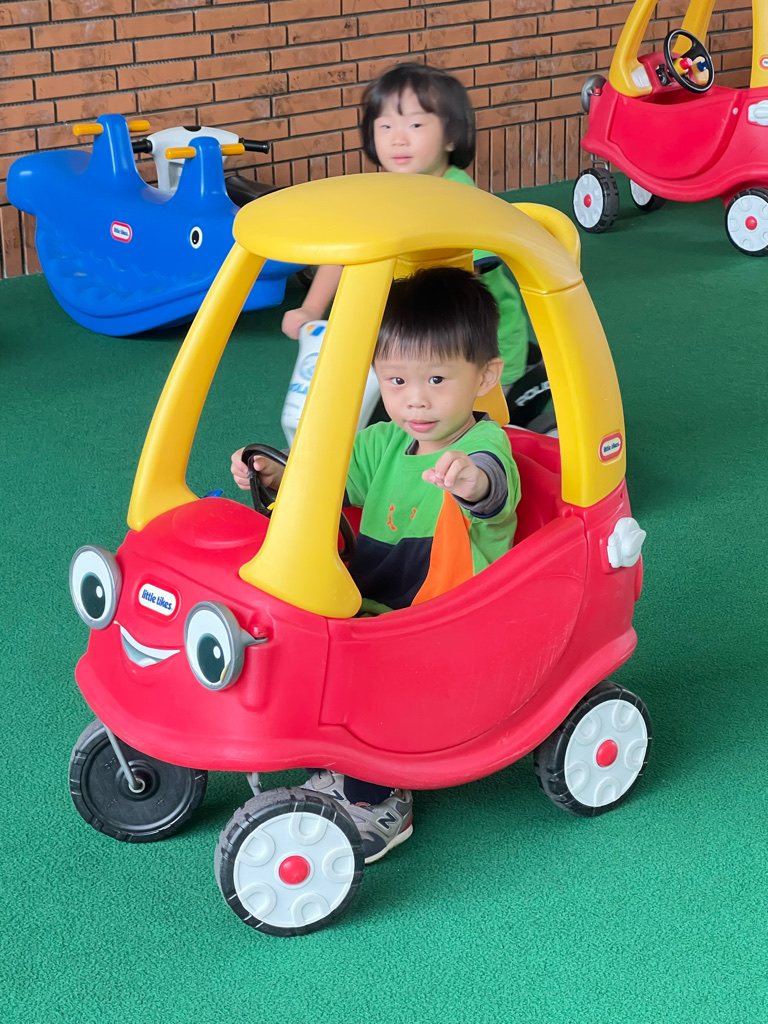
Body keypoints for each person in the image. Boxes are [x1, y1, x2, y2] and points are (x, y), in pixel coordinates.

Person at [231, 266, 521, 864]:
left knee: (368, 677)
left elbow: (495, 490)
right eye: (396, 380)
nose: (415, 399)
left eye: (437, 379)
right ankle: (321, 749)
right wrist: (277, 472)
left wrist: (471, 482)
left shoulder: (483, 448)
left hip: (447, 618)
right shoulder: (384, 442)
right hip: (374, 606)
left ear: (485, 376)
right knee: (290, 628)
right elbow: (327, 482)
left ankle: (380, 794)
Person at [281, 61, 531, 400]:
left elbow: (462, 283)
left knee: (447, 414)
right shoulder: (380, 194)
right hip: (407, 342)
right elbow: (343, 254)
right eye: (385, 126)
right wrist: (311, 309)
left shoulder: (459, 198)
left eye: (415, 124)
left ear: (451, 136)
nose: (398, 139)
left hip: (472, 349)